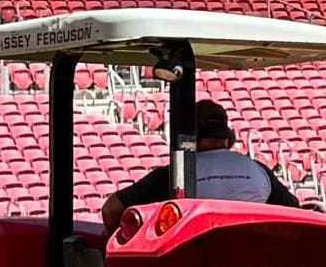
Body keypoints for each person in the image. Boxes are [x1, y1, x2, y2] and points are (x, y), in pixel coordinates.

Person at [104, 94, 290, 223]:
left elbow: (111, 210)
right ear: (228, 137)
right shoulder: (258, 170)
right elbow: (292, 209)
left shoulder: (176, 173)